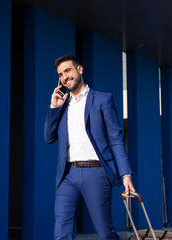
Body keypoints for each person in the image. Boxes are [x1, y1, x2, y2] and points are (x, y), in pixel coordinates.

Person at [44, 55, 136, 240]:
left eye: (68, 70)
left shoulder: (102, 100)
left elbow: (116, 139)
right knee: (62, 230)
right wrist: (54, 108)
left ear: (80, 69)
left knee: (105, 231)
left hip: (96, 172)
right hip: (67, 175)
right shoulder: (62, 106)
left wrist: (126, 175)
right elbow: (48, 137)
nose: (64, 77)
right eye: (61, 74)